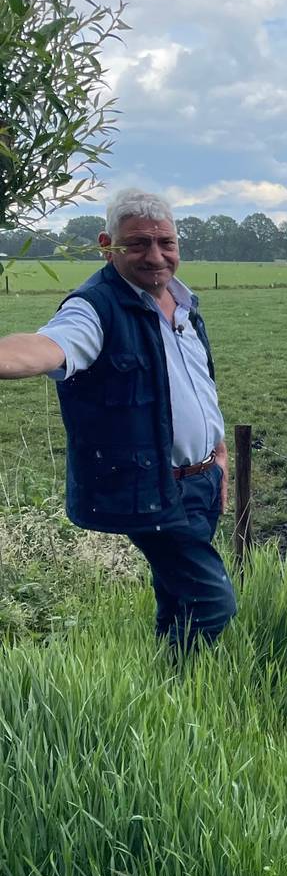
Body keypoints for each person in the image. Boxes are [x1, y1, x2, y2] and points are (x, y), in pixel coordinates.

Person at [0, 188, 236, 651]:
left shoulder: (185, 305)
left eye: (165, 242)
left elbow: (198, 385)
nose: (155, 256)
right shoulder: (94, 308)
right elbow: (49, 346)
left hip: (202, 479)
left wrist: (218, 456)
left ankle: (169, 681)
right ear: (107, 244)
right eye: (137, 244)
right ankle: (187, 685)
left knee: (177, 593)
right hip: (150, 488)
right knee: (212, 602)